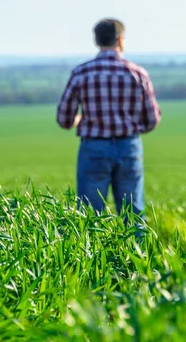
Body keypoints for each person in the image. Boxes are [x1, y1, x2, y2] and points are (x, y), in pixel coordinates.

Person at [56, 18, 162, 224]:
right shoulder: (138, 73)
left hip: (93, 147)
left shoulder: (81, 73)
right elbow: (151, 120)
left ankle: (92, 254)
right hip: (129, 146)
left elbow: (63, 118)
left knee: (89, 215)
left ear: (96, 41)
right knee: (133, 214)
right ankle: (136, 254)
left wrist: (80, 119)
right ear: (120, 40)